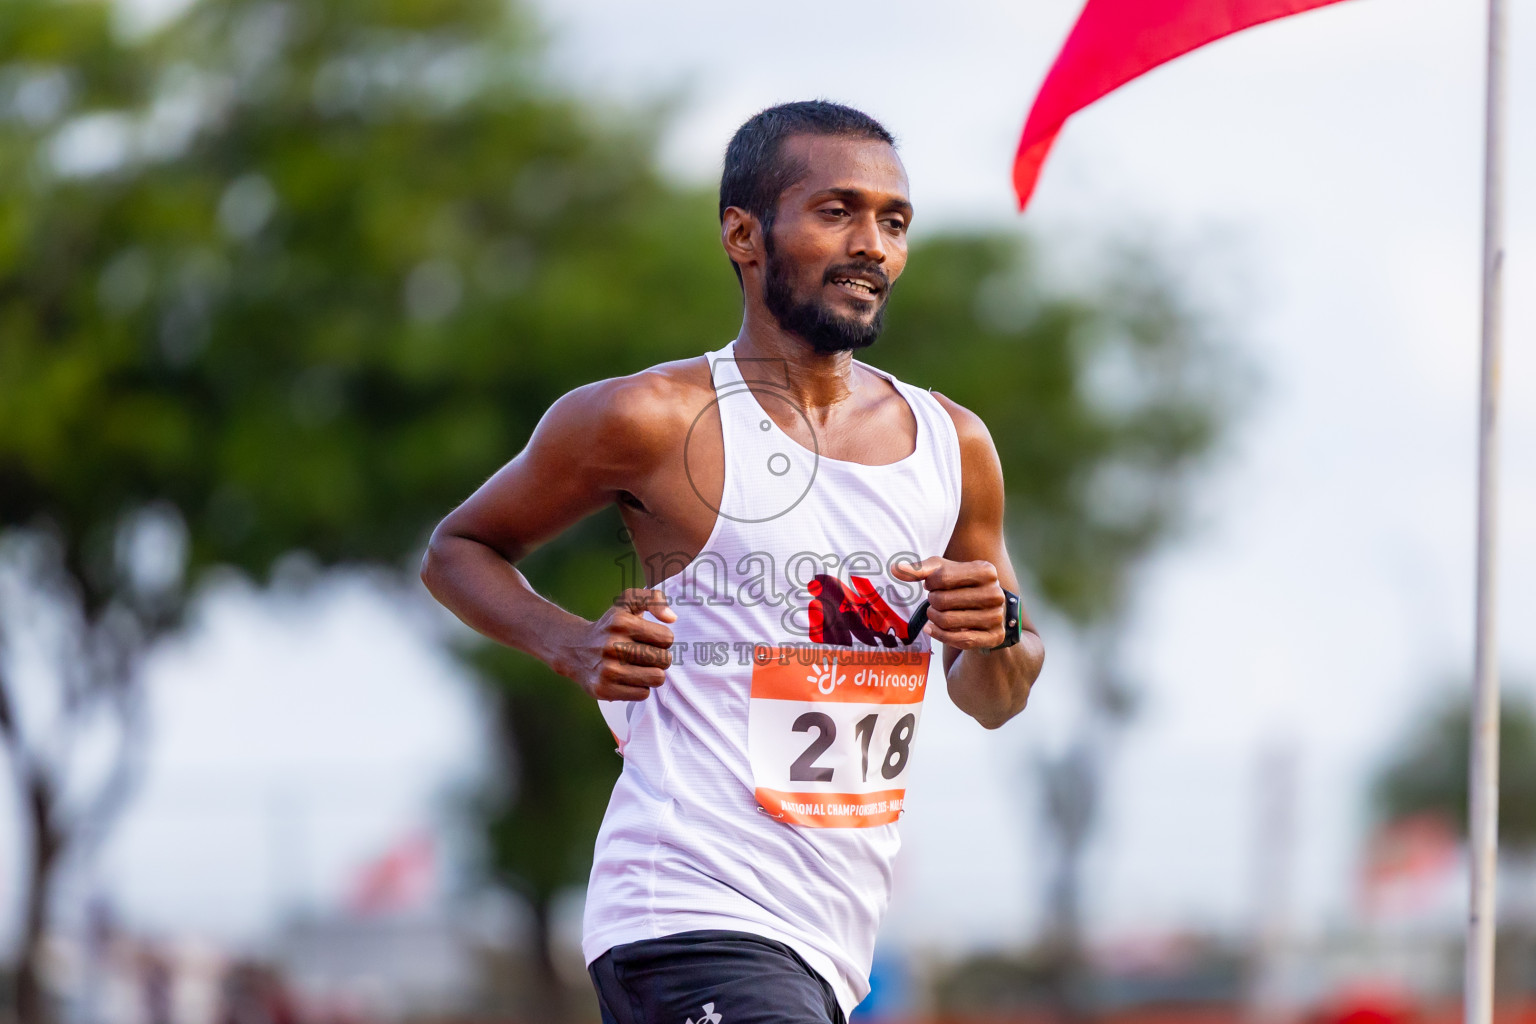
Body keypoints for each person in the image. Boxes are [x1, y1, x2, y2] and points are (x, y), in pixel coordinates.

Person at [421, 100, 1045, 1024]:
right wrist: (570, 645)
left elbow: (996, 693)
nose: (872, 244)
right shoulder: (650, 419)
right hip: (684, 907)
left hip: (832, 941)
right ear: (743, 234)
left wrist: (996, 632)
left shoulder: (954, 445)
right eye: (837, 211)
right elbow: (458, 549)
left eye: (894, 220)